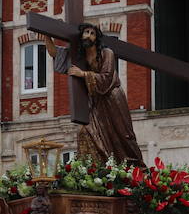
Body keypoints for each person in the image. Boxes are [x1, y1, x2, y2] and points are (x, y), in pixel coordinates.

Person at [42, 24, 143, 165]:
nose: (89, 35)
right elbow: (54, 53)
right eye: (86, 32)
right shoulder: (79, 57)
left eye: (92, 33)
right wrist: (47, 34)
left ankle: (136, 167)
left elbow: (107, 77)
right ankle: (98, 168)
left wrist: (83, 74)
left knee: (123, 134)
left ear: (96, 38)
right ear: (81, 36)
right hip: (96, 102)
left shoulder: (107, 53)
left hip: (112, 97)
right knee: (87, 132)